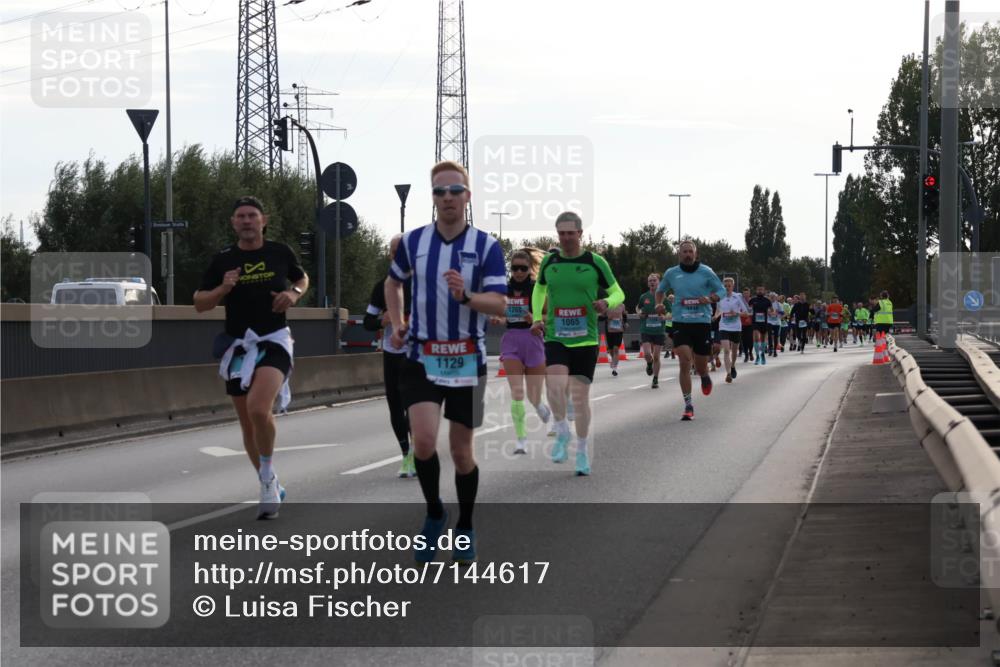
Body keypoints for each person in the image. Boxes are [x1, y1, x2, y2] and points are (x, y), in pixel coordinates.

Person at [385, 160, 507, 564]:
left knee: (460, 451)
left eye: (456, 191)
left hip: (467, 360)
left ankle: (466, 524)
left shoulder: (487, 246)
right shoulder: (414, 242)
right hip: (421, 354)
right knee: (422, 442)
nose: (448, 198)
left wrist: (466, 297)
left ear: (468, 197)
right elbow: (393, 281)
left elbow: (500, 303)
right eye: (440, 192)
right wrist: (399, 322)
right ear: (433, 198)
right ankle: (435, 512)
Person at [195, 195, 307, 520]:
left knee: (260, 408)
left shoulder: (279, 252)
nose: (246, 221)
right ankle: (269, 480)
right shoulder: (223, 260)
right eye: (240, 216)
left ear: (263, 220)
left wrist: (293, 294)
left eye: (252, 216)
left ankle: (266, 482)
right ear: (233, 223)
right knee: (247, 423)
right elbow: (200, 303)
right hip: (238, 346)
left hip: (274, 340)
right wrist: (222, 290)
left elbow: (301, 278)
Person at [531, 211, 625, 476]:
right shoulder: (550, 262)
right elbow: (539, 290)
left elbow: (618, 291)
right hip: (556, 336)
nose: (566, 238)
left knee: (580, 398)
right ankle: (562, 432)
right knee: (555, 386)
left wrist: (608, 302)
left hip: (586, 338)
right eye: (562, 233)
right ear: (557, 234)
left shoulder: (595, 262)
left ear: (580, 234)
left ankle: (582, 451)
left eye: (571, 233)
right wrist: (538, 317)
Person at [656, 240, 725, 421]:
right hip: (681, 322)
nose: (687, 254)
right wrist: (658, 304)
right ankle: (688, 405)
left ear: (695, 254)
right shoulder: (672, 273)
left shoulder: (706, 272)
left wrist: (710, 298)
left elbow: (721, 290)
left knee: (701, 365)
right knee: (685, 360)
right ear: (679, 254)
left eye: (690, 252)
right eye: (684, 251)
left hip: (702, 322)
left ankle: (704, 375)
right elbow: (660, 291)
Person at [364, 234, 414, 478]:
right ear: (390, 255)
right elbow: (366, 322)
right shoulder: (381, 286)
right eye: (395, 252)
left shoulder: (422, 284)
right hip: (392, 353)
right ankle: (406, 455)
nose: (398, 255)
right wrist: (380, 320)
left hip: (418, 353)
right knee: (395, 406)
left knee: (413, 406)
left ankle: (417, 451)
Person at [497, 247, 551, 454]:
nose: (518, 272)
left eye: (523, 268)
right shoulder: (504, 288)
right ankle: (521, 440)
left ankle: (540, 406)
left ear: (530, 269)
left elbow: (550, 316)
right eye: (515, 268)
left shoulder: (538, 288)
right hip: (511, 340)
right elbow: (499, 312)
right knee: (517, 393)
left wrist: (536, 319)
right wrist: (499, 317)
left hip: (533, 340)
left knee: (533, 395)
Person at [637, 274, 667, 389]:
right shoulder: (644, 297)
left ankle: (655, 379)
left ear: (658, 282)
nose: (652, 283)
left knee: (657, 356)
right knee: (647, 354)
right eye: (650, 281)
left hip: (659, 331)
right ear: (648, 283)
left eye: (654, 280)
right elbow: (638, 307)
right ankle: (649, 364)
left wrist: (665, 317)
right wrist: (639, 313)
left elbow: (670, 312)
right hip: (646, 329)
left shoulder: (663, 296)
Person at [717, 277, 748, 382]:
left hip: (736, 327)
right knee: (726, 350)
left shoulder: (738, 297)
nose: (727, 288)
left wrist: (737, 313)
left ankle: (733, 365)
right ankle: (728, 373)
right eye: (725, 286)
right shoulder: (720, 297)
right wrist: (715, 316)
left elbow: (746, 313)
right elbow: (718, 310)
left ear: (732, 286)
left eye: (729, 286)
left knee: (734, 350)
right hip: (724, 326)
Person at [602, 297, 627, 377]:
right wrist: (606, 317)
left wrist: (625, 322)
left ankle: (614, 368)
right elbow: (601, 317)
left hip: (619, 330)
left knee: (616, 348)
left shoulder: (622, 306)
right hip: (609, 330)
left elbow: (624, 315)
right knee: (611, 350)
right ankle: (614, 361)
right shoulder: (607, 306)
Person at [747, 286, 772, 365]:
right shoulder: (752, 300)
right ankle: (757, 356)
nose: (760, 291)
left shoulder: (767, 300)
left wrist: (771, 313)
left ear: (764, 291)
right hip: (755, 322)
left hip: (764, 322)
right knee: (756, 338)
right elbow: (748, 309)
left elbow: (772, 310)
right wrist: (748, 315)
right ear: (756, 291)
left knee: (763, 340)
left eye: (761, 290)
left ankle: (762, 355)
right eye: (758, 290)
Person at [739, 287, 754, 363]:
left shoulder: (752, 301)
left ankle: (750, 352)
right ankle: (746, 355)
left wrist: (749, 317)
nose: (746, 295)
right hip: (742, 323)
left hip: (751, 323)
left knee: (750, 339)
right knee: (744, 340)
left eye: (747, 293)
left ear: (749, 293)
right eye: (744, 293)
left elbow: (754, 312)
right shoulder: (740, 301)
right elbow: (738, 311)